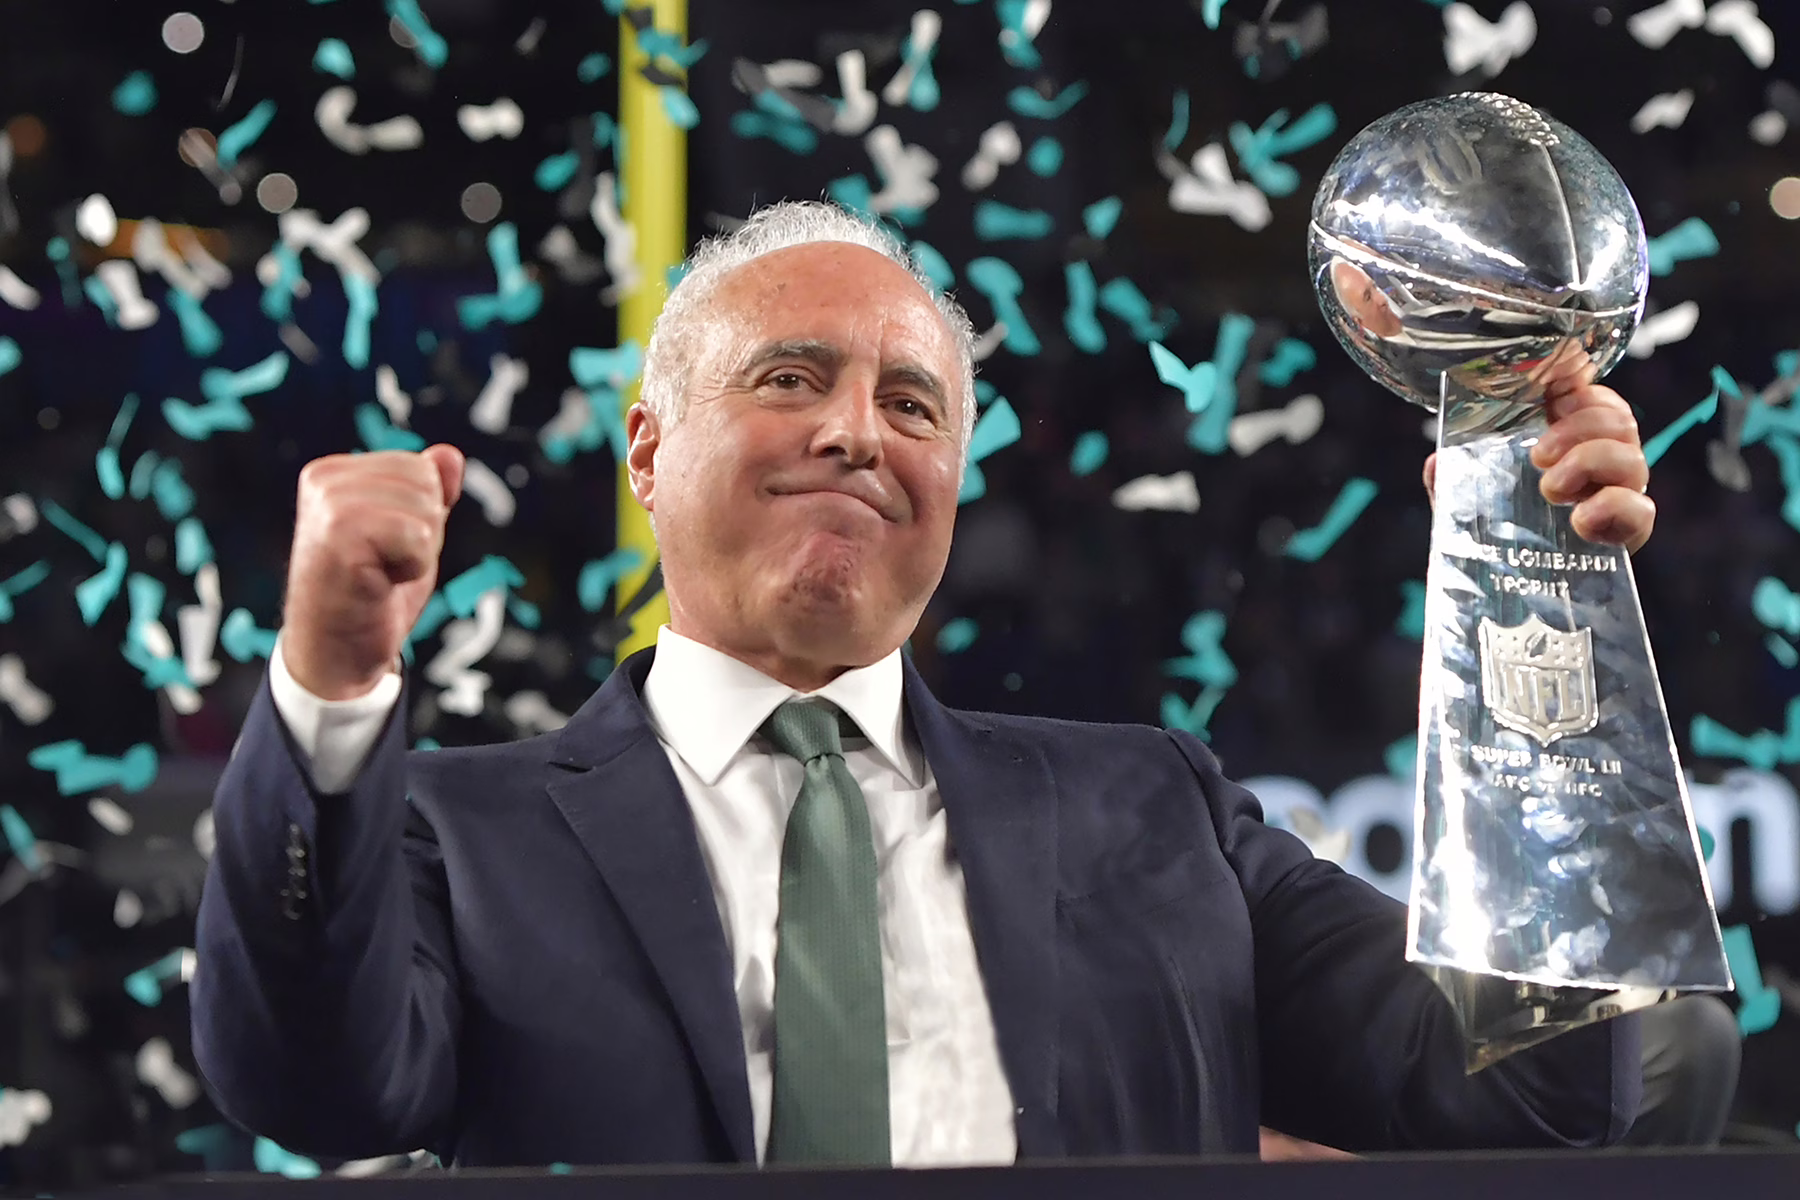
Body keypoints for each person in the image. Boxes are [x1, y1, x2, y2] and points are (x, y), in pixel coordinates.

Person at [191, 201, 1659, 1169]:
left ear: (954, 480)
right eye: (789, 378)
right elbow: (308, 1086)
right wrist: (331, 683)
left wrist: (1538, 603)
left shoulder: (1163, 812)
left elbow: (1546, 1092)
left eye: (912, 404)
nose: (857, 434)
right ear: (649, 451)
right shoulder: (461, 836)